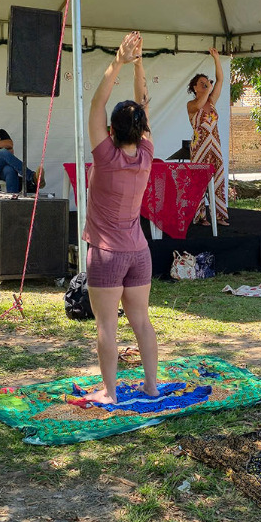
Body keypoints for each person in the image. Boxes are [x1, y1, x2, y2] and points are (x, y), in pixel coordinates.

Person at [83, 31, 158, 406]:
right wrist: (139, 63)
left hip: (107, 253)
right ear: (140, 129)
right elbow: (142, 105)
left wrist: (119, 59)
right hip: (139, 252)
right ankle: (151, 386)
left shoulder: (105, 156)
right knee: (141, 322)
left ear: (111, 130)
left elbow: (97, 102)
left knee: (107, 326)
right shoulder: (146, 152)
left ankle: (109, 392)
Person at [188, 47, 229, 226]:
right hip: (199, 146)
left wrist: (216, 59)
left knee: (218, 177)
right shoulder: (192, 104)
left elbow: (220, 79)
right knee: (199, 179)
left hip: (215, 143)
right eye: (202, 83)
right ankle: (200, 216)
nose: (206, 85)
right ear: (195, 88)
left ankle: (219, 215)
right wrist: (207, 90)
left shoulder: (211, 101)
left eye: (207, 82)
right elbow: (200, 103)